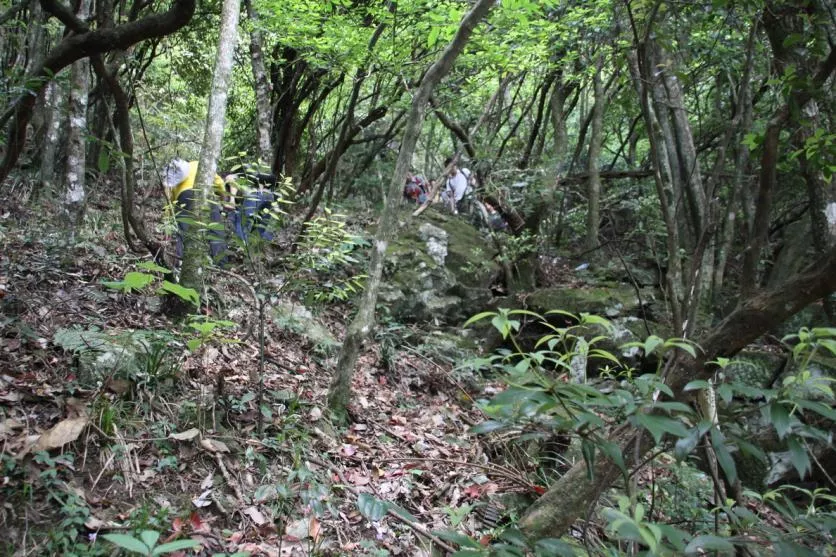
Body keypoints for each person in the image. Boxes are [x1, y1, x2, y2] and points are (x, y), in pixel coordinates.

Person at [162, 158, 229, 264]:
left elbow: (169, 205)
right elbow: (219, 183)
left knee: (183, 232)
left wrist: (167, 230)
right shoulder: (199, 164)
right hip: (206, 194)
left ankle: (182, 264)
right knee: (216, 230)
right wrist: (223, 201)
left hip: (183, 197)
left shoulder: (175, 176)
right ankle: (222, 263)